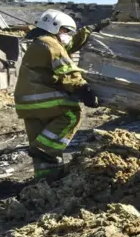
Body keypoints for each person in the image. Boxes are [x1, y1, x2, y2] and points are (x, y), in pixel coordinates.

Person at [14, 9, 110, 182]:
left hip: (27, 102)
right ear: (55, 28)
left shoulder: (41, 42)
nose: (67, 35)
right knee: (72, 114)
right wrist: (84, 91)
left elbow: (69, 46)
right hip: (41, 98)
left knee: (43, 136)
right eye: (65, 31)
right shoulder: (50, 44)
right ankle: (42, 149)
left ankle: (46, 179)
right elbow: (67, 72)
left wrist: (90, 30)